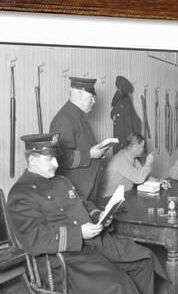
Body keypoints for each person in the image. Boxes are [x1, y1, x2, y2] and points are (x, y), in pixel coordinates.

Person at [7, 133, 166, 294]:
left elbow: (85, 205)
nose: (56, 164)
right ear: (32, 160)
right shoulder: (21, 194)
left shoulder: (62, 182)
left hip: (92, 243)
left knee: (143, 258)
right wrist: (78, 233)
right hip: (63, 259)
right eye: (49, 159)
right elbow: (33, 239)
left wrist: (99, 215)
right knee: (116, 283)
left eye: (56, 158)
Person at [49, 76, 109, 204]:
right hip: (76, 192)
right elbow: (60, 156)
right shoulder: (64, 120)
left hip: (86, 190)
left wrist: (98, 153)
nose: (94, 101)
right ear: (79, 95)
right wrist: (90, 154)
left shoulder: (78, 117)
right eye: (90, 97)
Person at [99, 132, 154, 198]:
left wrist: (161, 181)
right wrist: (148, 163)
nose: (143, 150)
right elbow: (139, 179)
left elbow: (143, 175)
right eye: (142, 147)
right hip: (108, 199)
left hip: (123, 196)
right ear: (135, 146)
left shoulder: (132, 158)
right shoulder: (120, 159)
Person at [110, 75, 142, 154]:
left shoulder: (119, 102)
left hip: (123, 144)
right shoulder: (124, 103)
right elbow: (127, 126)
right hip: (124, 145)